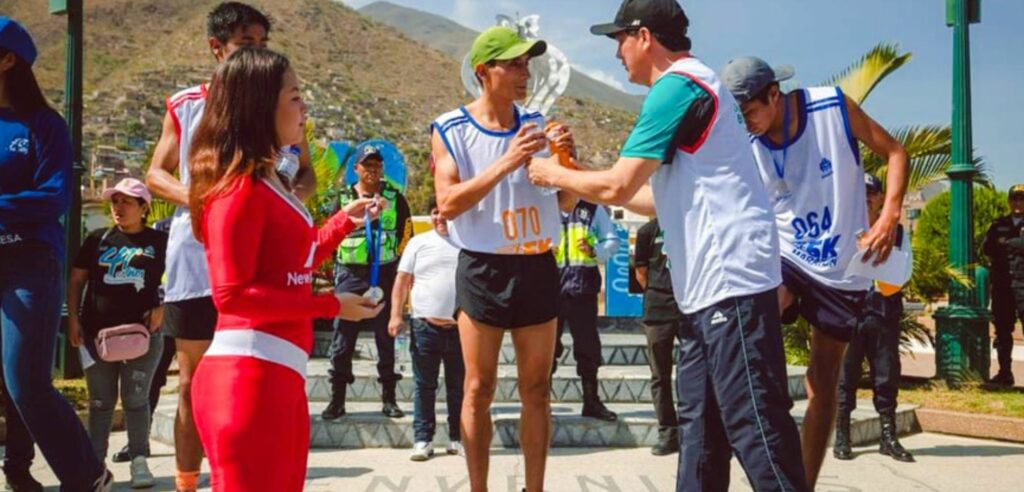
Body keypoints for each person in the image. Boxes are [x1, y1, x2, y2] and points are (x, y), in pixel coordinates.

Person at [527, 1, 808, 490]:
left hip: (731, 284)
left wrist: (552, 173)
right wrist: (575, 170)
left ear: (644, 37)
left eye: (619, 40)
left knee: (754, 424)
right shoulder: (691, 88)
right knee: (700, 428)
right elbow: (645, 197)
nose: (616, 53)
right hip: (705, 293)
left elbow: (618, 186)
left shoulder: (678, 88)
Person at [187, 47, 382, 492]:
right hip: (247, 380)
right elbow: (232, 295)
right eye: (295, 97)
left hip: (278, 375)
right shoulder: (238, 189)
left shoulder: (269, 182)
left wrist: (343, 221)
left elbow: (297, 259)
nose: (304, 108)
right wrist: (330, 305)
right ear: (260, 107)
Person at [143, 4, 317, 490]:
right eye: (245, 43)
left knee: (257, 366)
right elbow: (154, 174)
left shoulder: (278, 107)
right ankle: (187, 480)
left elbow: (305, 172)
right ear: (217, 48)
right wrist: (210, 200)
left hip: (262, 262)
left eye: (262, 43)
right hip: (196, 260)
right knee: (192, 378)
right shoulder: (186, 105)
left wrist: (286, 204)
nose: (256, 52)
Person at [720, 55, 909, 487]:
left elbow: (896, 153)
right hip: (787, 255)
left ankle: (803, 484)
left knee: (823, 385)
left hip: (842, 266)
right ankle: (763, 417)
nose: (745, 123)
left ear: (774, 94)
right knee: (753, 319)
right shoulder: (747, 142)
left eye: (749, 112)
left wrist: (888, 217)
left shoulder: (833, 107)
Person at [432, 25, 576, 492]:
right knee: (479, 389)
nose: (524, 73)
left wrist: (568, 162)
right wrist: (506, 161)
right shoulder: (451, 128)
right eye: (513, 65)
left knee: (537, 389)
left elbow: (566, 202)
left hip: (536, 264)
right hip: (483, 267)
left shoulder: (538, 124)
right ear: (483, 71)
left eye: (527, 64)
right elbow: (447, 203)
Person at [0, 16, 114, 491]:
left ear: (7, 60)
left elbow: (55, 196)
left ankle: (88, 477)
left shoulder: (44, 126)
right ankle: (18, 472)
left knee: (26, 382)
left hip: (28, 262)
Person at [67, 178, 168, 488]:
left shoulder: (160, 241)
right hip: (96, 337)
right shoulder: (97, 239)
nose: (118, 207)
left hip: (144, 336)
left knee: (136, 400)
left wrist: (163, 306)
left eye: (126, 201)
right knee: (100, 403)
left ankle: (139, 461)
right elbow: (76, 280)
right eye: (115, 201)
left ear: (143, 207)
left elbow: (178, 277)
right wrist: (73, 319)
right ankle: (95, 467)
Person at [323, 144, 413, 421]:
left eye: (377, 165)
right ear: (356, 169)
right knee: (343, 339)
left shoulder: (395, 199)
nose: (372, 170)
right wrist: (335, 271)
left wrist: (399, 267)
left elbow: (406, 233)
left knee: (386, 338)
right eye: (367, 165)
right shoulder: (343, 198)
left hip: (383, 273)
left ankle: (389, 398)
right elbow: (329, 233)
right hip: (350, 275)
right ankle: (337, 399)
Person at [833, 173, 914, 463]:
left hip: (883, 310)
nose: (866, 197)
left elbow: (904, 273)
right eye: (862, 191)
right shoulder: (842, 229)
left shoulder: (897, 233)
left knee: (886, 375)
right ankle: (842, 434)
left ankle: (888, 437)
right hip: (849, 311)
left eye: (872, 192)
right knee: (846, 376)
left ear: (881, 198)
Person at [388, 197, 464, 462]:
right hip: (424, 326)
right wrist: (395, 315)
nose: (440, 218)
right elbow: (402, 281)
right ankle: (423, 440)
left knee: (458, 387)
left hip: (460, 329)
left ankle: (458, 438)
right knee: (424, 386)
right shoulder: (418, 243)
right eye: (435, 212)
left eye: (445, 213)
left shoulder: (467, 243)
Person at [552, 200, 619, 421]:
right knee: (546, 349)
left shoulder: (591, 209)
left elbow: (612, 240)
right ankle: (540, 403)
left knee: (588, 347)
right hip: (549, 289)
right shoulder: (545, 205)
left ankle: (591, 401)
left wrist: (595, 250)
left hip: (583, 288)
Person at [633, 217, 682, 456]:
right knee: (660, 374)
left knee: (696, 371)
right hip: (658, 308)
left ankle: (697, 429)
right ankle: (668, 432)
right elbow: (641, 273)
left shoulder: (689, 222)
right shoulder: (647, 231)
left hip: (689, 305)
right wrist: (660, 291)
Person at [982, 184, 1024, 386]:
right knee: (1002, 331)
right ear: (1009, 201)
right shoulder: (998, 224)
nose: (1018, 203)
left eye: (1021, 199)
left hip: (1022, 284)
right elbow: (987, 248)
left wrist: (1006, 243)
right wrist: (1014, 243)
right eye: (1014, 199)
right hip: (1002, 285)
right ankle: (1005, 373)